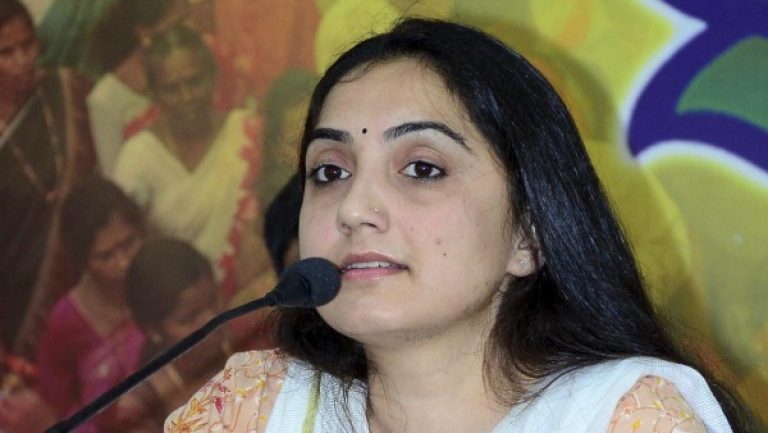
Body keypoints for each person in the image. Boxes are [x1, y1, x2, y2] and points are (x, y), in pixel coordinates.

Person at [164, 19, 753, 433]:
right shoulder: (256, 408)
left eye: (422, 168)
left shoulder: (619, 416)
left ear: (529, 236)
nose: (353, 207)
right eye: (330, 172)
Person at [113, 24, 269, 298]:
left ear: (213, 76)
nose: (186, 97)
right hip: (181, 306)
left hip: (255, 294)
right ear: (153, 93)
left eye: (195, 82)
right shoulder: (138, 157)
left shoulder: (247, 132)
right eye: (171, 89)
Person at [0, 0, 94, 358]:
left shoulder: (68, 90)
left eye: (27, 45)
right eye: (6, 52)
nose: (23, 59)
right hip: (22, 302)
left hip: (97, 274)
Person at [33, 175, 147, 433]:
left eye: (129, 243)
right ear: (82, 261)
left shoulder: (163, 273)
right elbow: (56, 408)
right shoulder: (66, 320)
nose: (124, 262)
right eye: (105, 256)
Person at [123, 237, 230, 429]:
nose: (212, 319)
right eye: (189, 318)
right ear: (154, 331)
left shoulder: (250, 337)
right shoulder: (144, 404)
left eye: (214, 300)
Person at [85, 0, 182, 175]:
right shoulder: (104, 99)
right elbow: (116, 178)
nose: (191, 30)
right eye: (178, 25)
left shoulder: (184, 71)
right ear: (144, 33)